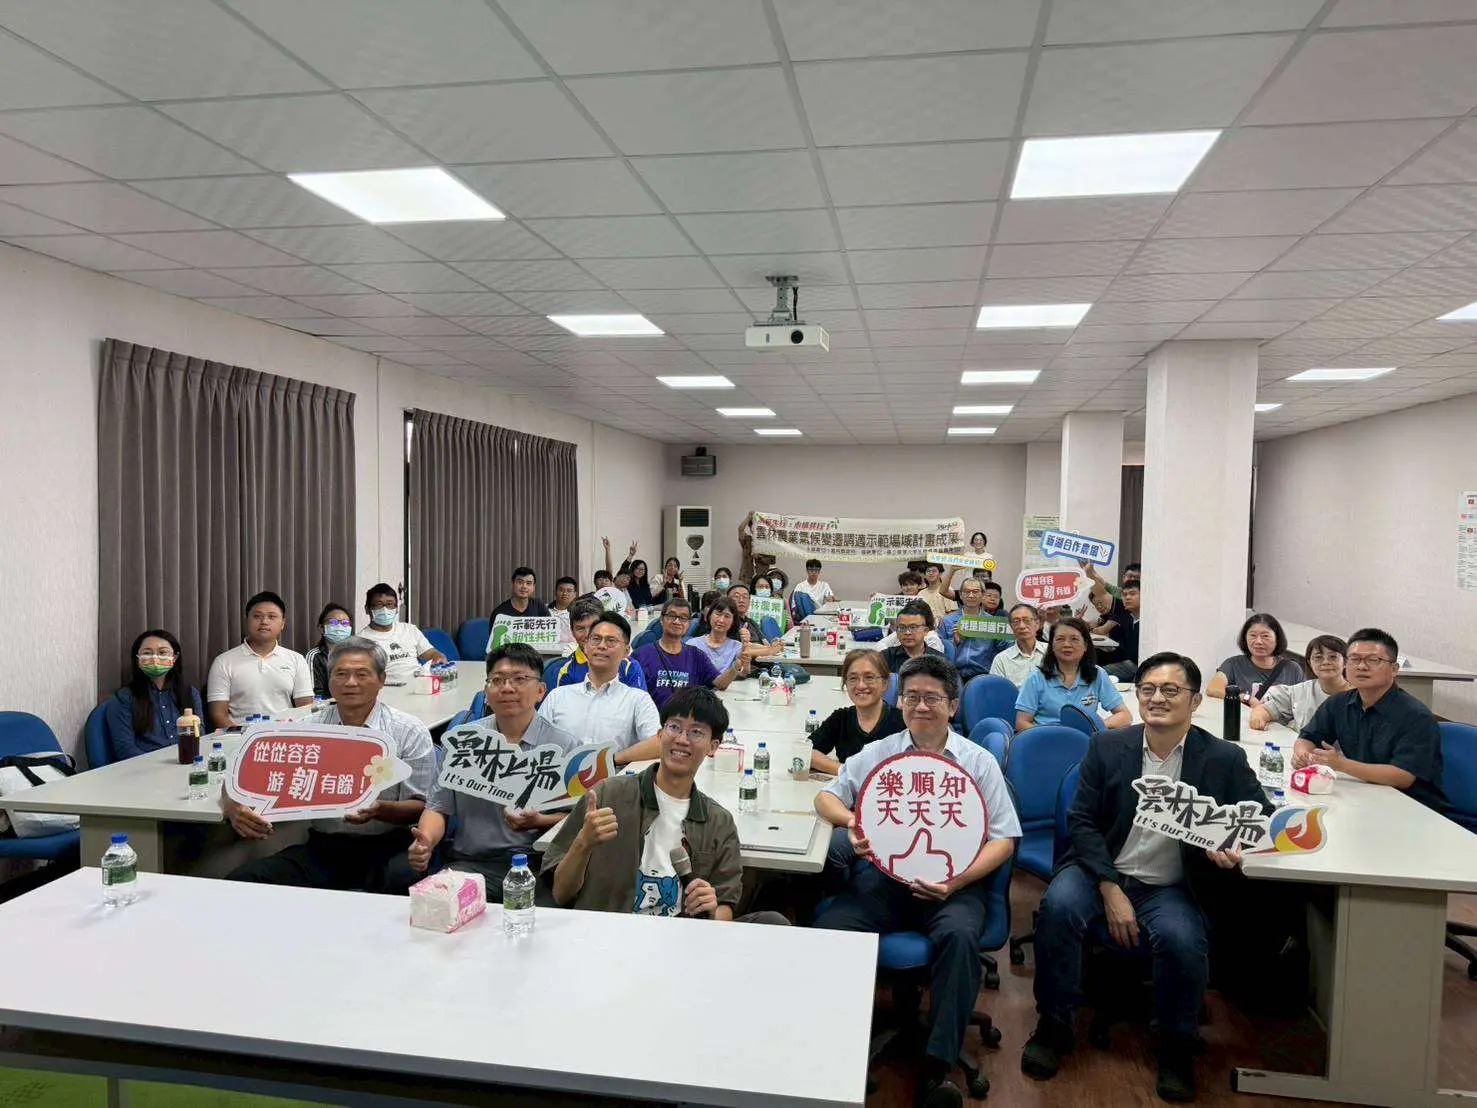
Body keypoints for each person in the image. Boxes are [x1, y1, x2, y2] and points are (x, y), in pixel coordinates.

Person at [1022, 652, 1271, 1103]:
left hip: (1169, 884)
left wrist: (1232, 842)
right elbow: (1082, 821)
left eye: (1171, 691)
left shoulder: (1223, 758)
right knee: (1058, 909)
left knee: (1183, 941)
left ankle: (1176, 1047)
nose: (1157, 699)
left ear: (1195, 701)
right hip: (1101, 870)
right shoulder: (1108, 747)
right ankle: (1053, 1025)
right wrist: (1109, 886)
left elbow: (1262, 820)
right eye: (1148, 689)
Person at [815, 655, 1021, 1108]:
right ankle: (832, 1052)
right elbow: (825, 796)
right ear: (900, 701)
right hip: (886, 882)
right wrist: (852, 820)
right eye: (911, 697)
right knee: (831, 930)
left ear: (952, 705)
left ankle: (937, 1068)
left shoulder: (978, 762)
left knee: (960, 936)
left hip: (954, 886)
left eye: (932, 698)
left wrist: (957, 881)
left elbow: (1005, 839)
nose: (920, 707)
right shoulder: (879, 753)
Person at [543, 686, 788, 924]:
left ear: (713, 747)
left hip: (681, 942)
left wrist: (711, 911)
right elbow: (560, 894)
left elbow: (725, 905)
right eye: (674, 727)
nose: (682, 739)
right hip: (611, 936)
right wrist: (583, 844)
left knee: (774, 922)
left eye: (696, 732)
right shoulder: (608, 796)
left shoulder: (718, 821)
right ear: (660, 735)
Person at [225, 637, 436, 894]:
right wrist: (233, 805)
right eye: (341, 674)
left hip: (389, 846)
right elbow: (241, 772)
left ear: (381, 679)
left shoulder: (408, 731)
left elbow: (422, 806)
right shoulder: (307, 730)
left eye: (362, 674)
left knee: (402, 886)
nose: (350, 682)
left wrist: (380, 809)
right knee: (245, 880)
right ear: (330, 680)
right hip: (324, 847)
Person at [408, 643, 577, 902]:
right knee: (436, 914)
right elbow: (438, 807)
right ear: (486, 692)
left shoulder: (565, 746)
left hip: (540, 865)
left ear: (541, 691)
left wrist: (539, 821)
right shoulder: (462, 741)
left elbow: (578, 819)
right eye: (497, 680)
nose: (507, 688)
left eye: (520, 679)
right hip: (470, 864)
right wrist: (426, 842)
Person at [1293, 627, 1447, 811]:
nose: (1361, 666)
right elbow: (1309, 737)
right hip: (1363, 795)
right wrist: (1303, 755)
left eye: (1373, 660)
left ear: (1394, 669)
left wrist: (1341, 764)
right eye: (1355, 659)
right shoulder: (1339, 703)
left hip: (1412, 807)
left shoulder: (1416, 716)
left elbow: (1403, 777)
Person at [539, 612, 662, 767]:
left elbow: (659, 743)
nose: (602, 646)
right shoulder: (558, 696)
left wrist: (609, 761)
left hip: (614, 786)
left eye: (611, 641)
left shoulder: (637, 700)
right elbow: (535, 743)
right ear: (586, 646)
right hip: (559, 785)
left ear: (626, 651)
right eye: (596, 639)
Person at [205, 591, 314, 728]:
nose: (264, 622)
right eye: (257, 616)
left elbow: (305, 708)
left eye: (272, 617)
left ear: (282, 624)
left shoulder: (296, 659)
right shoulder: (223, 662)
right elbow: (218, 715)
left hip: (284, 736)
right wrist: (246, 738)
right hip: (239, 738)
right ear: (247, 620)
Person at [104, 629, 204, 761]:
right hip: (146, 770)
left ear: (174, 657)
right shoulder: (123, 698)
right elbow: (125, 750)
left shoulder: (190, 693)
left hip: (188, 763)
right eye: (147, 653)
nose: (155, 658)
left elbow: (200, 736)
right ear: (137, 658)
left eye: (162, 652)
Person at [1016, 617, 1131, 731]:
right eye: (1060, 639)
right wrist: (1052, 735)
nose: (1067, 644)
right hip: (1048, 741)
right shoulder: (1036, 678)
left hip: (1086, 741)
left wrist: (1095, 727)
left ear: (1085, 645)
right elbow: (1021, 723)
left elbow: (1125, 716)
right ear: (1051, 645)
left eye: (1074, 639)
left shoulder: (1097, 674)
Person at [809, 650, 905, 775]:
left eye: (869, 677)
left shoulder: (902, 723)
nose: (860, 685)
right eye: (853, 678)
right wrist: (845, 771)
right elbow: (806, 752)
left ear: (885, 684)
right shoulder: (841, 718)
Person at [633, 598, 738, 707]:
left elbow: (720, 684)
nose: (677, 621)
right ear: (661, 619)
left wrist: (737, 664)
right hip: (653, 722)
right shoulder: (641, 655)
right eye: (672, 616)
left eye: (683, 618)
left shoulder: (697, 655)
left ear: (689, 623)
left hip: (687, 721)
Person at [1249, 635, 1350, 733]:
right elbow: (1268, 708)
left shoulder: (1359, 696)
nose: (1325, 662)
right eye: (1318, 657)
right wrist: (1259, 716)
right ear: (1310, 663)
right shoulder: (1302, 690)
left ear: (1345, 661)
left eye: (1333, 657)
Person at [545, 597, 648, 692]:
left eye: (593, 626)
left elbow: (637, 708)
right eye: (580, 628)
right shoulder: (567, 672)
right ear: (572, 631)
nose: (587, 634)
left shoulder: (628, 667)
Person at [1207, 613, 1305, 700]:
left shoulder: (1292, 669)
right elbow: (1213, 689)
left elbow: (1304, 701)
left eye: (1265, 636)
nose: (1258, 641)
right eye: (1253, 635)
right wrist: (1245, 698)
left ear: (1277, 639)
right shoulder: (1233, 664)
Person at [360, 583, 444, 684]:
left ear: (396, 609)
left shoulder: (409, 629)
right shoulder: (360, 640)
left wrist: (438, 657)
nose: (385, 609)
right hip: (388, 690)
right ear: (367, 609)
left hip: (420, 684)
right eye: (379, 605)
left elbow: (430, 653)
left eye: (390, 604)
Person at [941, 577, 1002, 682]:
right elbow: (939, 651)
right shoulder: (948, 621)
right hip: (953, 676)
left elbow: (1004, 649)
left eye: (975, 592)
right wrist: (954, 643)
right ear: (960, 595)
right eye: (967, 591)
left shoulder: (993, 623)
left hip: (984, 675)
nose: (971, 595)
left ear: (983, 595)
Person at [686, 595, 747, 678]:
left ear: (733, 621)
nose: (721, 620)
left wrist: (745, 659)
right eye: (718, 614)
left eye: (727, 616)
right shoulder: (692, 645)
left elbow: (743, 674)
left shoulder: (737, 647)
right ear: (709, 615)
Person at [990, 604, 1048, 687]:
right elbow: (997, 692)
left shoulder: (1052, 652)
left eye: (1026, 620)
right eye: (1016, 621)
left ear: (1037, 624)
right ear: (1011, 627)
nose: (1022, 626)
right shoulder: (1001, 660)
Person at [726, 584, 785, 666]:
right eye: (736, 596)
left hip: (767, 662)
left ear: (750, 601)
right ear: (727, 601)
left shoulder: (751, 622)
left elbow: (765, 644)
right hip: (748, 668)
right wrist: (771, 650)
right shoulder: (728, 623)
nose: (741, 600)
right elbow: (740, 650)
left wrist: (775, 646)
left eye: (745, 597)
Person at [881, 600, 946, 673]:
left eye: (913, 627)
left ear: (925, 631)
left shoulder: (940, 660)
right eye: (902, 627)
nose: (907, 632)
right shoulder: (885, 657)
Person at [304, 603, 353, 699]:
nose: (339, 627)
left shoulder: (358, 654)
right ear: (321, 628)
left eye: (345, 623)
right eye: (334, 622)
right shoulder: (315, 656)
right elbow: (315, 694)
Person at [1102, 581, 1142, 679]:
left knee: (1101, 673)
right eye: (1124, 595)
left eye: (1132, 594)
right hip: (1128, 660)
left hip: (1140, 665)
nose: (1127, 597)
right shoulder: (1128, 617)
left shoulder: (1148, 622)